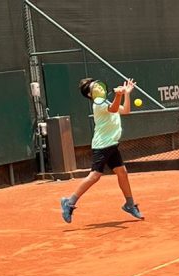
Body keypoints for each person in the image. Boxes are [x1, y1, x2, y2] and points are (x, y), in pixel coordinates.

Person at [60, 78, 144, 223]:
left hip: (112, 144)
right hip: (102, 146)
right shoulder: (98, 104)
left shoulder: (105, 102)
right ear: (90, 95)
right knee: (95, 176)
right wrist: (119, 95)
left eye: (98, 85)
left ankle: (129, 204)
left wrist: (126, 94)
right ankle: (69, 202)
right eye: (95, 87)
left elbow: (125, 111)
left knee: (122, 173)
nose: (99, 87)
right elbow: (114, 109)